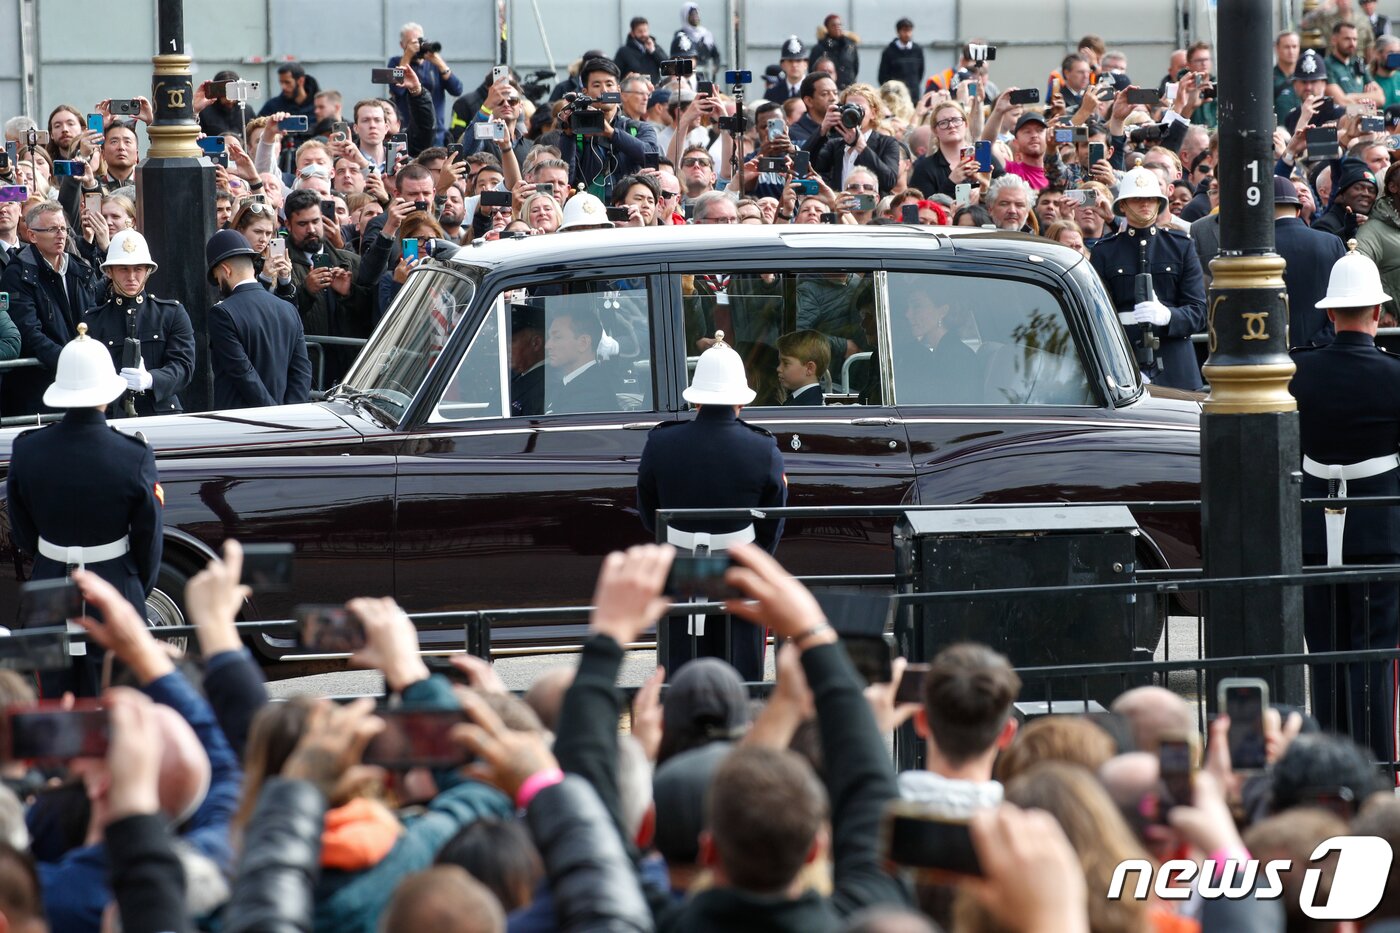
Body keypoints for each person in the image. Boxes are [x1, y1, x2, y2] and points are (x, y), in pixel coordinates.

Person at [5, 324, 161, 696]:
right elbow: (148, 538)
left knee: (51, 704)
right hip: (114, 586)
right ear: (107, 392)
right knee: (119, 703)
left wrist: (50, 556)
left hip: (48, 586)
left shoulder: (27, 449)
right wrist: (135, 585)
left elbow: (23, 530)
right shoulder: (133, 455)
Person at [1292, 244, 1400, 763]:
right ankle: (1375, 766)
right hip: (1377, 526)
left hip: (1314, 521)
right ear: (1378, 313)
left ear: (1330, 313)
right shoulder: (1394, 374)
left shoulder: (1297, 370)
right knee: (1374, 652)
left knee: (1325, 652)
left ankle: (1326, 766)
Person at [636, 335, 786, 680]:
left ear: (696, 400)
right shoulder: (762, 448)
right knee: (741, 675)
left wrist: (675, 545)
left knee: (679, 672)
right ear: (740, 402)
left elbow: (649, 510)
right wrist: (752, 557)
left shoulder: (661, 442)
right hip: (739, 569)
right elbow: (772, 520)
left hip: (680, 567)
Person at [1089, 163, 1207, 391]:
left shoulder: (1180, 247)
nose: (1144, 204)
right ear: (1122, 204)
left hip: (1175, 367)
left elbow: (1199, 312)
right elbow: (1098, 315)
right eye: (1136, 199)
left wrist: (1168, 316)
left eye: (1150, 199)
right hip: (1124, 362)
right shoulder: (1105, 251)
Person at [80, 230, 195, 417]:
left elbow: (184, 366)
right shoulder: (93, 320)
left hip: (161, 414)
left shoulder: (171, 314)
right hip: (113, 416)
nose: (132, 276)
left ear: (148, 271)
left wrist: (151, 379)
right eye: (123, 268)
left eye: (138, 269)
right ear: (109, 271)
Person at [0, 201, 99, 416]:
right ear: (32, 235)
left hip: (84, 382)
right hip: (40, 390)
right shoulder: (17, 274)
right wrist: (67, 360)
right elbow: (28, 332)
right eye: (52, 229)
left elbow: (95, 319)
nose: (61, 235)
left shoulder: (79, 268)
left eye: (63, 228)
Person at [205, 229, 313, 410]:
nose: (218, 282)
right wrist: (290, 416)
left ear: (226, 270)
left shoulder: (222, 313)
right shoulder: (288, 309)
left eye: (217, 277)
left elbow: (242, 373)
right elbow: (302, 371)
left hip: (241, 424)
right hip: (288, 425)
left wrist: (272, 414)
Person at [560, 57, 660, 201]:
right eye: (596, 85)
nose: (604, 91)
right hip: (589, 211)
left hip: (629, 210)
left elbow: (651, 156)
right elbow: (566, 178)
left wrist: (611, 133)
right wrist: (568, 134)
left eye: (609, 84)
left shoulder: (638, 128)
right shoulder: (577, 133)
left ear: (618, 90)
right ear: (585, 92)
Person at [1275, 175, 1346, 348]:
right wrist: (1319, 340)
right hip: (1321, 350)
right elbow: (1346, 298)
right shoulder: (1332, 242)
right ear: (1298, 210)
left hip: (1270, 353)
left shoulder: (1255, 247)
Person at [389, 23, 464, 146]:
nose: (417, 46)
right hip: (407, 131)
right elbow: (397, 90)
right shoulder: (396, 62)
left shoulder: (434, 64)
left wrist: (439, 62)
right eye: (411, 43)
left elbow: (457, 89)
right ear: (402, 45)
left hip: (436, 132)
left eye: (419, 41)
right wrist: (406, 57)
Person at [1313, 157, 1378, 243]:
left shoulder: (1376, 223)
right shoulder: (1324, 225)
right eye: (1358, 188)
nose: (1366, 193)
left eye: (1371, 190)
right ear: (1341, 195)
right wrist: (1347, 232)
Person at [776, 329, 829, 405]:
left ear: (809, 368)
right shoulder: (803, 399)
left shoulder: (805, 406)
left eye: (786, 363)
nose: (778, 369)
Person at [879, 18, 924, 102]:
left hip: (913, 95)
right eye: (904, 31)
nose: (907, 34)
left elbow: (920, 72)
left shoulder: (917, 50)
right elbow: (883, 76)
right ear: (898, 32)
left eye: (909, 31)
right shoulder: (889, 51)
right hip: (896, 96)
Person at [810, 13, 859, 89]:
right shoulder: (819, 49)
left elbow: (855, 68)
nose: (837, 27)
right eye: (833, 25)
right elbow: (812, 71)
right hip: (826, 89)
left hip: (848, 88)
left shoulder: (850, 47)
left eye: (839, 25)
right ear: (827, 28)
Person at [615, 16, 666, 83]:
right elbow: (616, 74)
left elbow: (666, 66)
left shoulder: (655, 47)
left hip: (654, 88)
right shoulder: (623, 51)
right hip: (633, 90)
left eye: (645, 31)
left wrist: (653, 51)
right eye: (640, 31)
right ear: (632, 33)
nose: (644, 34)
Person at [765, 37, 810, 103]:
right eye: (790, 61)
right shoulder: (772, 93)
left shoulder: (813, 90)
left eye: (798, 60)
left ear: (806, 64)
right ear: (782, 64)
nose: (794, 65)